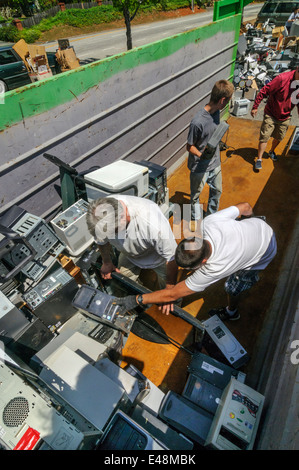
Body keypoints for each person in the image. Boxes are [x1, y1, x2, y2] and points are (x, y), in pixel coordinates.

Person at [113, 202, 277, 321]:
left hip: (263, 252)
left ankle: (231, 311)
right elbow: (246, 207)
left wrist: (135, 300)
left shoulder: (215, 268)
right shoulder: (209, 223)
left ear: (204, 262)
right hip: (258, 225)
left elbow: (174, 294)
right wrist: (250, 223)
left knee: (232, 287)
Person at [86, 195, 178, 294]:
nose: (109, 237)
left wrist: (169, 291)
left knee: (170, 290)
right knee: (125, 280)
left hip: (159, 258)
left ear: (122, 217)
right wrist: (107, 262)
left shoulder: (153, 224)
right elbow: (101, 241)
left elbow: (172, 258)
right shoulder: (101, 212)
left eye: (113, 232)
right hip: (129, 254)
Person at [186, 79, 234, 231]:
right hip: (199, 166)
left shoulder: (217, 113)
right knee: (195, 196)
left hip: (215, 163)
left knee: (217, 190)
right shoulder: (197, 122)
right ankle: (198, 221)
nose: (228, 104)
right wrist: (203, 155)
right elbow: (189, 146)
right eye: (228, 101)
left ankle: (212, 218)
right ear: (222, 100)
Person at [251, 55, 299, 170]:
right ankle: (259, 159)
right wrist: (255, 106)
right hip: (271, 113)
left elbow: (297, 101)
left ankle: (271, 151)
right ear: (297, 69)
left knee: (279, 137)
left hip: (285, 116)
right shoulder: (282, 78)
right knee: (265, 137)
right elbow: (264, 90)